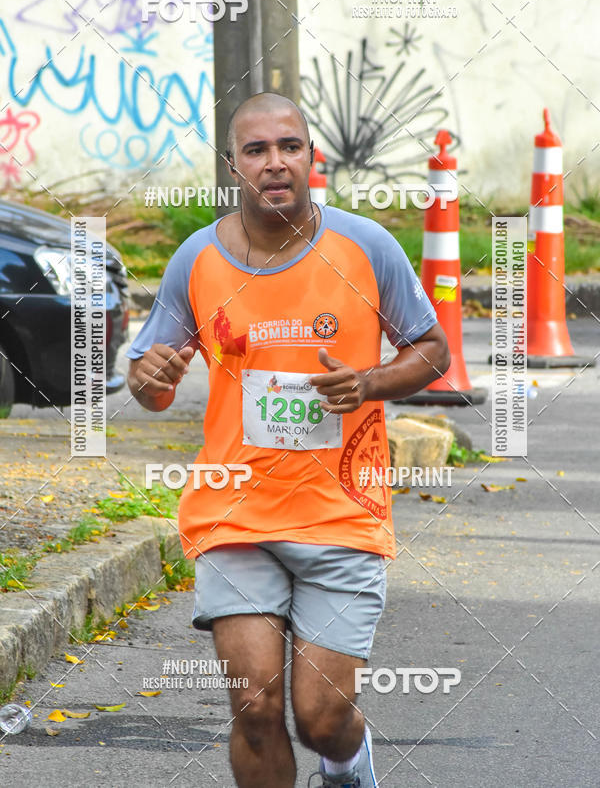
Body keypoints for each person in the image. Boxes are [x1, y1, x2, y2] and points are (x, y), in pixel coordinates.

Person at [127, 92, 450, 787]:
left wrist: (368, 383)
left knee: (320, 716)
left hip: (341, 514)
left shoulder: (365, 248)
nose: (275, 162)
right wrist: (148, 377)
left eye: (289, 146)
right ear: (231, 165)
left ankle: (348, 763)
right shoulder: (197, 260)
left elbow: (431, 348)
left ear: (312, 156)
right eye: (255, 150)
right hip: (233, 511)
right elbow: (151, 389)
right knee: (255, 705)